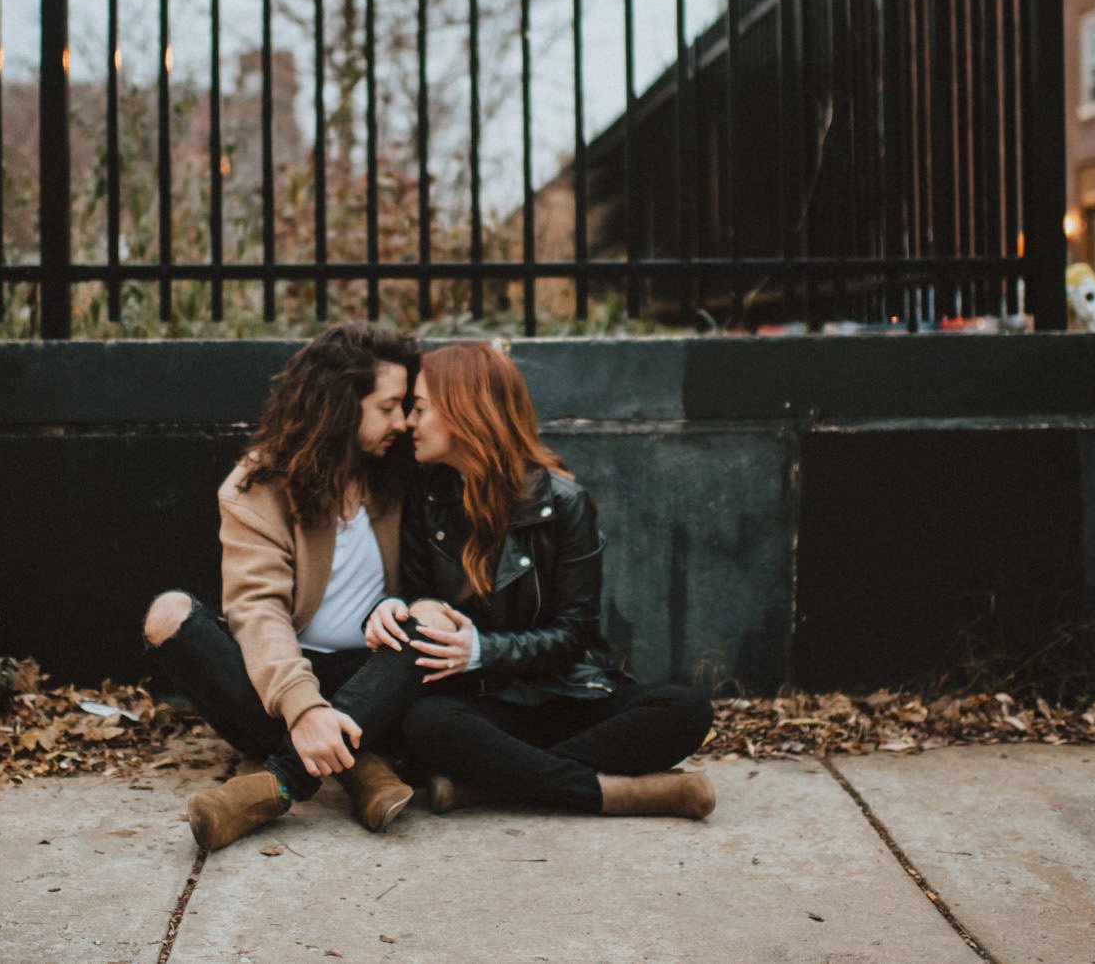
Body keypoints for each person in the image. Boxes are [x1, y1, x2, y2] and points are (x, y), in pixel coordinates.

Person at [366, 340, 716, 819]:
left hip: (565, 694)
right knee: (426, 723)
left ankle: (487, 786)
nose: (407, 423)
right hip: (485, 705)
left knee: (687, 709)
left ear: (465, 412)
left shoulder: (563, 503)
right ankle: (621, 793)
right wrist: (398, 608)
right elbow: (418, 596)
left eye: (420, 409)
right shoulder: (427, 499)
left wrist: (482, 651)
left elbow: (575, 635)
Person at [141, 321, 457, 851]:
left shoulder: (404, 471)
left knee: (426, 624)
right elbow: (257, 610)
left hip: (379, 672)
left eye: (407, 406)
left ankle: (277, 783)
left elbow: (437, 579)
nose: (403, 421)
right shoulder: (259, 486)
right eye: (388, 407)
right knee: (168, 615)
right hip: (288, 674)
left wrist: (409, 606)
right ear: (340, 406)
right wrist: (305, 708)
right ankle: (359, 765)